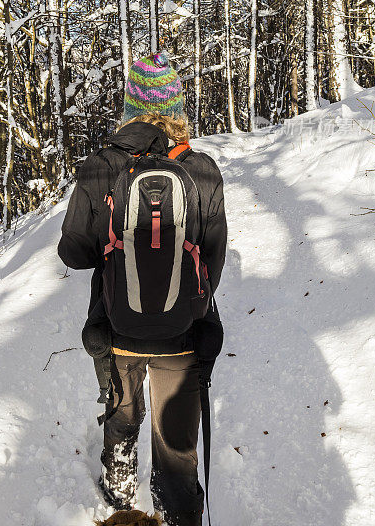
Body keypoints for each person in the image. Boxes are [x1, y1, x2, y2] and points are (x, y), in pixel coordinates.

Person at [58, 52, 227, 526]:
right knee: (176, 443)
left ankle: (120, 494)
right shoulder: (203, 169)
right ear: (177, 105)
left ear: (130, 104)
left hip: (116, 326)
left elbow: (72, 253)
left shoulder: (100, 165)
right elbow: (213, 262)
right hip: (182, 335)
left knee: (122, 415)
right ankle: (176, 511)